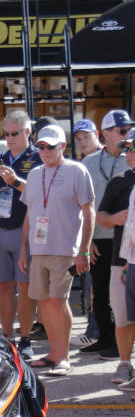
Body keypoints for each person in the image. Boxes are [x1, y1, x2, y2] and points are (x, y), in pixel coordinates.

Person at [18, 124, 95, 377]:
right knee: (44, 303)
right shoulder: (34, 173)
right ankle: (53, 354)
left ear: (62, 146)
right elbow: (30, 213)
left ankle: (63, 357)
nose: (45, 150)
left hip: (65, 249)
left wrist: (83, 250)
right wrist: (23, 249)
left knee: (58, 302)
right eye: (41, 146)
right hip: (39, 250)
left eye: (50, 146)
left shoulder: (77, 171)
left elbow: (88, 211)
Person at [0, 110, 43, 358]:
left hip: (25, 232)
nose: (10, 137)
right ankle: (7, 337)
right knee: (3, 287)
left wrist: (15, 181)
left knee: (25, 288)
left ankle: (25, 338)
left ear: (27, 132)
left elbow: (40, 193)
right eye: (6, 133)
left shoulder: (38, 157)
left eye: (15, 133)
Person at [76, 109, 133, 359]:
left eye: (128, 129)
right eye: (121, 131)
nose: (126, 135)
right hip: (99, 238)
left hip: (126, 241)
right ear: (105, 134)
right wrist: (85, 241)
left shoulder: (130, 159)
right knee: (99, 292)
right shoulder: (88, 163)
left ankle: (120, 347)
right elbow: (81, 205)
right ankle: (105, 338)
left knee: (121, 296)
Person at [96, 128, 135, 387]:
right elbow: (101, 217)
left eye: (132, 148)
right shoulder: (119, 181)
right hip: (123, 261)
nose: (128, 153)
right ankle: (124, 364)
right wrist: (116, 219)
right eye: (127, 148)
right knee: (122, 317)